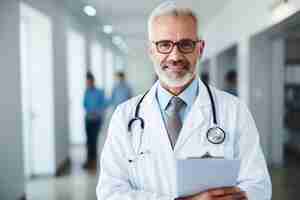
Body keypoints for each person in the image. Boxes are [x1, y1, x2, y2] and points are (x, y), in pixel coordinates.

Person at [97, 1, 271, 200]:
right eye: (164, 45)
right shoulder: (124, 116)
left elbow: (259, 185)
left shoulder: (234, 111)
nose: (175, 56)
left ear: (200, 49)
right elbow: (110, 192)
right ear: (151, 51)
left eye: (186, 44)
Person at [83, 72, 106, 170]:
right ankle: (88, 161)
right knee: (88, 141)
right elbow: (84, 104)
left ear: (93, 81)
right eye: (87, 82)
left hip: (96, 120)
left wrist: (96, 111)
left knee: (94, 140)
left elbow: (104, 104)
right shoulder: (86, 92)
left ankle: (93, 162)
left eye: (89, 81)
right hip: (88, 119)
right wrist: (89, 111)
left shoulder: (99, 92)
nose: (88, 83)